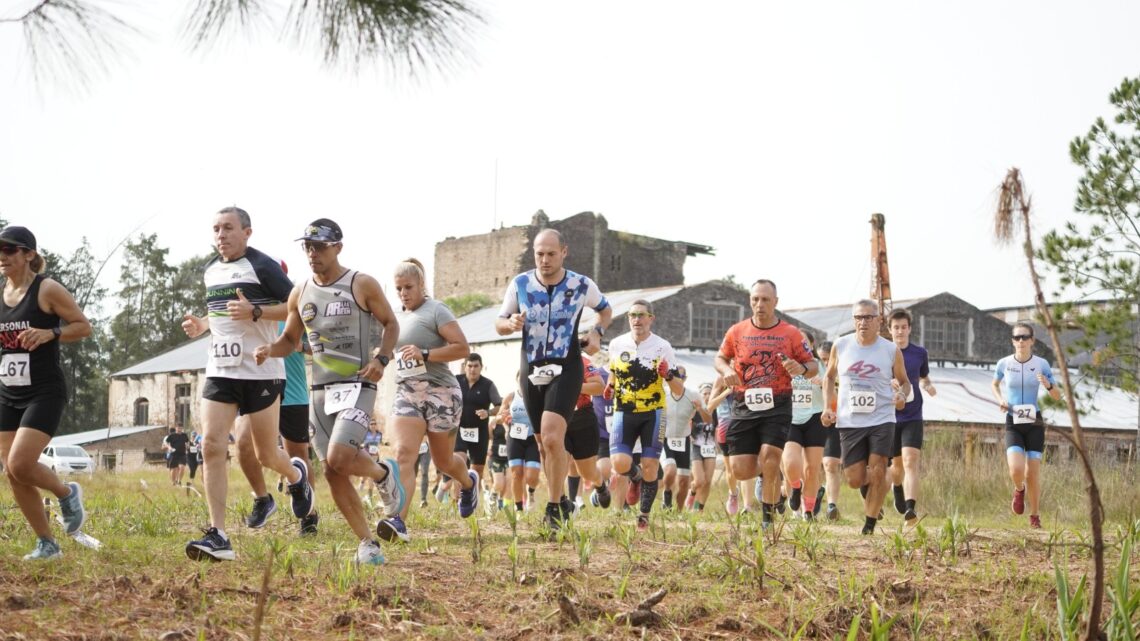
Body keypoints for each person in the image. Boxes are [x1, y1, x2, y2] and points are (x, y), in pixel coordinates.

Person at [254, 218, 403, 565]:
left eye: (320, 246)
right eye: (308, 247)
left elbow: (391, 323)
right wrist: (269, 350)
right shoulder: (300, 292)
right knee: (332, 470)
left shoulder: (361, 283)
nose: (313, 253)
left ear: (338, 247)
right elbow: (290, 340)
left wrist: (382, 358)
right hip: (320, 391)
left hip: (359, 383)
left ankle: (382, 474)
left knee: (339, 458)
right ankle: (367, 543)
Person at [181, 207, 313, 561]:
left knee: (266, 453)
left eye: (228, 228)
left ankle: (296, 476)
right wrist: (203, 324)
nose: (220, 235)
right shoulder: (210, 270)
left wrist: (256, 311)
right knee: (211, 445)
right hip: (221, 369)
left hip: (261, 370)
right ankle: (218, 535)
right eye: (216, 229)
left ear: (247, 232)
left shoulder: (263, 266)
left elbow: (297, 309)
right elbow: (223, 312)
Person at [495, 229, 612, 532]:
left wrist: (597, 333)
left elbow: (605, 310)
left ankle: (554, 507)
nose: (544, 260)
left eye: (551, 254)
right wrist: (510, 323)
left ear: (564, 252)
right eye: (539, 254)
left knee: (550, 437)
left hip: (567, 366)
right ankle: (560, 501)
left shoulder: (580, 284)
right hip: (531, 367)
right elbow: (499, 322)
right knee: (544, 445)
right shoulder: (520, 284)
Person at [0, 225, 92, 560]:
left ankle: (66, 493)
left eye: (9, 249)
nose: (2, 256)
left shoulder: (47, 289)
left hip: (44, 391)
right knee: (12, 471)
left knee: (21, 463)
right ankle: (47, 544)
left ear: (28, 254)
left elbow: (83, 326)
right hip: (8, 392)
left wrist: (50, 333)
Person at [383, 258, 477, 544]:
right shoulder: (394, 317)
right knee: (403, 454)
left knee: (443, 461)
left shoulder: (436, 310)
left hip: (441, 392)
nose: (403, 294)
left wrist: (425, 354)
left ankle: (468, 482)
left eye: (408, 287)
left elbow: (462, 348)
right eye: (398, 288)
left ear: (421, 284)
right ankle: (398, 521)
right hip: (408, 393)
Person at [715, 280, 817, 530]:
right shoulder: (737, 331)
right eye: (755, 299)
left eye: (765, 299)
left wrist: (801, 368)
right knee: (740, 470)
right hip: (744, 403)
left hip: (778, 403)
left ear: (776, 302)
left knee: (771, 456)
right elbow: (720, 358)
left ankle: (767, 520)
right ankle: (770, 473)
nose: (759, 304)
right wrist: (727, 370)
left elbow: (813, 365)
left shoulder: (791, 333)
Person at [821, 300, 908, 535]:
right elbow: (829, 377)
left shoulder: (890, 349)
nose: (863, 322)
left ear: (878, 320)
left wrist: (901, 395)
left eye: (868, 317)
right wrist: (827, 407)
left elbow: (904, 382)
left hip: (882, 417)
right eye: (858, 317)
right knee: (854, 479)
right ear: (854, 320)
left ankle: (869, 525)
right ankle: (876, 485)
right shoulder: (841, 345)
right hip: (850, 420)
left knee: (878, 468)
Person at [607, 299, 683, 530]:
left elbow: (678, 390)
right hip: (624, 411)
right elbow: (613, 374)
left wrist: (668, 375)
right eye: (632, 315)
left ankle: (643, 516)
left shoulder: (663, 347)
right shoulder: (616, 344)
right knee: (619, 463)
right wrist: (610, 386)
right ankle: (635, 477)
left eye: (641, 315)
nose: (636, 319)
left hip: (653, 412)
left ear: (651, 319)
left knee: (650, 464)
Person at [990, 322, 1060, 529]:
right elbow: (994, 384)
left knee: (1033, 473)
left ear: (1032, 341)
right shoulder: (1004, 363)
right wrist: (1000, 400)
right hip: (1013, 421)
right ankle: (1019, 489)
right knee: (1016, 469)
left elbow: (1057, 396)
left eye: (1024, 337)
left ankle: (1035, 516)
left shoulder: (1041, 364)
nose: (1020, 341)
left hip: (1034, 421)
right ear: (1012, 341)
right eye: (1017, 337)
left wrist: (1048, 385)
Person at [887, 308, 937, 524]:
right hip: (890, 416)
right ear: (890, 330)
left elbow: (923, 377)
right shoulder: (883, 353)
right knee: (896, 466)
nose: (900, 331)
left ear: (910, 329)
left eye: (903, 327)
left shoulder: (920, 353)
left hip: (913, 415)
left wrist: (928, 385)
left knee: (911, 460)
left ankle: (910, 509)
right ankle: (897, 486)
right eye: (896, 328)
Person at [783, 331, 827, 519]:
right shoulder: (785, 365)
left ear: (811, 345)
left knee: (812, 469)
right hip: (790, 418)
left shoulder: (820, 365)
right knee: (790, 461)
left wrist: (823, 384)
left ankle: (808, 511)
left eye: (805, 343)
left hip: (815, 417)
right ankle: (795, 486)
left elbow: (834, 389)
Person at [562, 350, 609, 514]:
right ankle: (565, 504)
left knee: (587, 472)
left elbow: (599, 387)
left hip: (582, 418)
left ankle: (600, 485)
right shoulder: (544, 362)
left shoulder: (580, 361)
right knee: (560, 462)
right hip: (557, 417)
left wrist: (572, 386)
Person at [451, 353, 501, 499]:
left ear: (481, 367)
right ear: (465, 367)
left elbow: (499, 406)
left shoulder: (488, 385)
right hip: (459, 430)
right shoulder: (455, 381)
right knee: (459, 463)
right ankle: (456, 500)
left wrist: (488, 412)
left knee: (476, 471)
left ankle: (472, 502)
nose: (472, 369)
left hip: (479, 432)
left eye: (476, 366)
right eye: (470, 366)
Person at [661, 366, 710, 511]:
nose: (677, 379)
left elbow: (708, 420)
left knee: (684, 483)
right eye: (674, 376)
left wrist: (700, 409)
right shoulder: (662, 393)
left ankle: (677, 513)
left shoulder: (693, 395)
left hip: (683, 440)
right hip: (665, 438)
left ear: (685, 379)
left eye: (681, 377)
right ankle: (667, 493)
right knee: (670, 471)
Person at [499, 384, 543, 512]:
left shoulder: (538, 395)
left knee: (531, 477)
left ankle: (531, 492)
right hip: (515, 437)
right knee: (516, 474)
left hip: (533, 438)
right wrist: (503, 417)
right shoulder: (511, 396)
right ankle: (518, 508)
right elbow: (500, 416)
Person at [816, 340, 843, 521]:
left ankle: (832, 505)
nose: (825, 363)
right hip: (813, 421)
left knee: (831, 464)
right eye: (821, 360)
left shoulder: (841, 375)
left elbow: (842, 400)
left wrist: (825, 385)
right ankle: (815, 494)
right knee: (811, 466)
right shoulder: (809, 372)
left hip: (835, 422)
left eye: (827, 359)